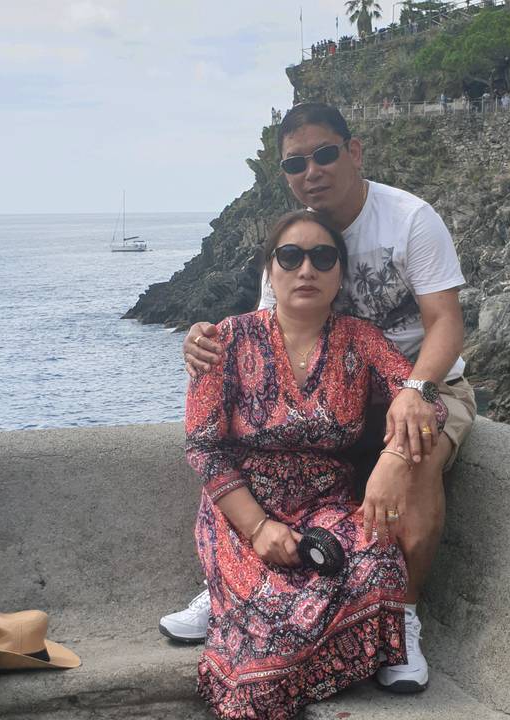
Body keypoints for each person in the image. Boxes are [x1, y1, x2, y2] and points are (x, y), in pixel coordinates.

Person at [161, 102, 476, 693]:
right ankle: (226, 582)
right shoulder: (298, 236)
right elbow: (267, 337)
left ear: (353, 152)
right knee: (258, 451)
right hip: (338, 391)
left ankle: (403, 617)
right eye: (295, 162)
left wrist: (412, 396)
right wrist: (207, 345)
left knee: (417, 453)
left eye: (325, 154)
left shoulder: (409, 219)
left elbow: (446, 323)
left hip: (422, 378)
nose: (312, 171)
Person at [188, 209, 449, 718]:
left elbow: (428, 405)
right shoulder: (225, 339)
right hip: (242, 509)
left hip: (327, 508)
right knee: (271, 617)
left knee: (379, 563)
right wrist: (258, 528)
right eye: (290, 256)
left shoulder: (361, 339)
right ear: (270, 270)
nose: (306, 269)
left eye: (322, 257)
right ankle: (228, 608)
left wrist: (393, 457)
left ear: (339, 275)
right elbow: (204, 447)